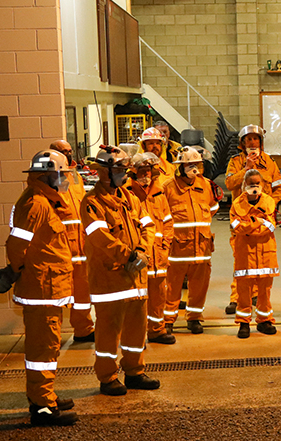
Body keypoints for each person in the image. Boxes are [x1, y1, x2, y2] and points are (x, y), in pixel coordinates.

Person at [4, 150, 79, 426]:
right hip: (41, 289)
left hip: (47, 287)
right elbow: (17, 244)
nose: (66, 181)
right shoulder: (37, 204)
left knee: (47, 348)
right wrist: (14, 270)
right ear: (50, 175)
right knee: (42, 350)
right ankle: (42, 406)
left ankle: (45, 395)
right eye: (62, 175)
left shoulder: (43, 200)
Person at [81, 147, 160, 395]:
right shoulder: (92, 203)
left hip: (136, 277)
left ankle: (135, 372)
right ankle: (107, 377)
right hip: (110, 280)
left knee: (137, 329)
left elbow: (148, 225)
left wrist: (141, 251)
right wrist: (130, 256)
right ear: (104, 172)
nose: (123, 174)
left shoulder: (131, 199)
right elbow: (100, 239)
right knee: (107, 333)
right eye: (118, 170)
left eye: (124, 170)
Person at [223, 125, 281, 315]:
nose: (252, 142)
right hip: (242, 220)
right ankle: (237, 298)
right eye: (248, 139)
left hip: (263, 222)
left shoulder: (269, 163)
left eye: (255, 139)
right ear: (242, 143)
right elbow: (229, 183)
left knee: (263, 259)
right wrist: (246, 168)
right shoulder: (235, 162)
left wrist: (269, 205)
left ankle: (256, 296)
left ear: (260, 141)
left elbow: (279, 188)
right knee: (240, 261)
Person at [162, 146, 219, 334]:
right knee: (171, 287)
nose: (193, 168)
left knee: (200, 285)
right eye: (189, 164)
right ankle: (168, 321)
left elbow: (212, 207)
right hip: (177, 249)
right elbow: (161, 214)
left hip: (201, 247)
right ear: (180, 166)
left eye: (196, 164)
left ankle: (194, 318)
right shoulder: (168, 187)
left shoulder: (205, 185)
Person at [49, 140, 95, 344]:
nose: (68, 155)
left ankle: (83, 330)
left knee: (83, 294)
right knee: (58, 295)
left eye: (69, 151)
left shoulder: (76, 177)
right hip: (61, 248)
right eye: (62, 152)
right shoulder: (49, 177)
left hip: (82, 248)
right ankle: (51, 335)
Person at [129, 152, 175, 345]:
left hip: (159, 257)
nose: (145, 174)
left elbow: (168, 222)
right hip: (139, 256)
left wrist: (165, 243)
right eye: (141, 170)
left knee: (158, 295)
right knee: (138, 298)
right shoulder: (128, 194)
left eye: (148, 170)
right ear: (133, 172)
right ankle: (136, 336)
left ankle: (157, 330)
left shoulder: (159, 194)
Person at [230, 169, 279, 338]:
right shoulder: (237, 205)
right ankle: (244, 323)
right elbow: (237, 228)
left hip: (266, 253)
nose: (255, 187)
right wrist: (258, 222)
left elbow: (271, 226)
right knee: (244, 290)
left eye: (257, 184)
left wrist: (249, 227)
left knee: (265, 290)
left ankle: (265, 321)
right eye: (251, 184)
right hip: (245, 254)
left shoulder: (269, 202)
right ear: (244, 185)